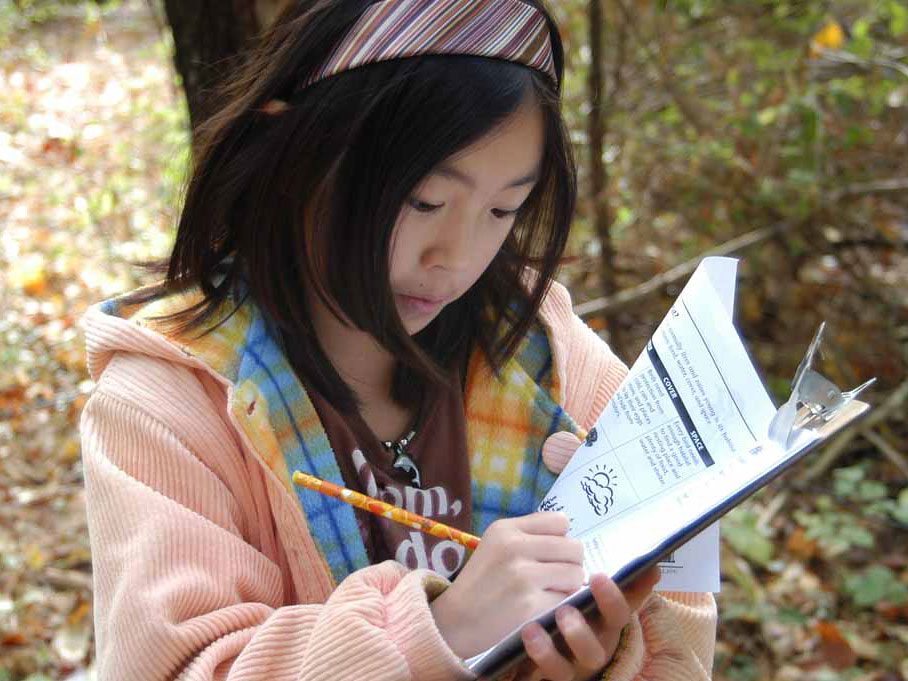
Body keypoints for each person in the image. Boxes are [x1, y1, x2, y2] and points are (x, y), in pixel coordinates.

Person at [78, 0, 717, 679]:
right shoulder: (169, 405)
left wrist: (602, 652)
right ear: (291, 154)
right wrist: (439, 630)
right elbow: (176, 664)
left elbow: (683, 637)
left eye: (502, 209)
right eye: (424, 202)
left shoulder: (551, 362)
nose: (457, 256)